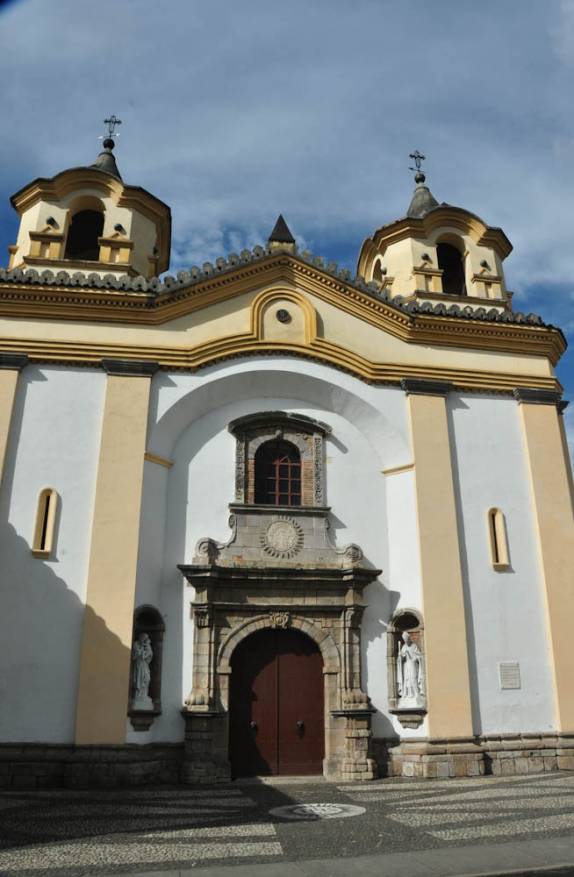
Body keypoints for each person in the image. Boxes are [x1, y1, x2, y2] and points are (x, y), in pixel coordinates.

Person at [397, 631, 425, 700]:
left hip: (413, 665)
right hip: (406, 665)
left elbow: (419, 655)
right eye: (405, 640)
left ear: (409, 638)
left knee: (413, 678)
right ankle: (408, 694)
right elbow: (401, 658)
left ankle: (416, 693)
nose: (406, 641)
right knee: (407, 680)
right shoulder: (403, 647)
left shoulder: (414, 646)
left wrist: (414, 659)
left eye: (407, 640)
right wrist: (400, 656)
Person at [132, 632, 153, 705]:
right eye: (145, 638)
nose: (146, 640)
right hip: (139, 664)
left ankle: (144, 695)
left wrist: (147, 649)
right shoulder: (136, 644)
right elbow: (137, 655)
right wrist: (144, 651)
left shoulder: (145, 646)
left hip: (144, 664)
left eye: (147, 639)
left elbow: (149, 657)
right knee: (139, 679)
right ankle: (138, 695)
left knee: (147, 679)